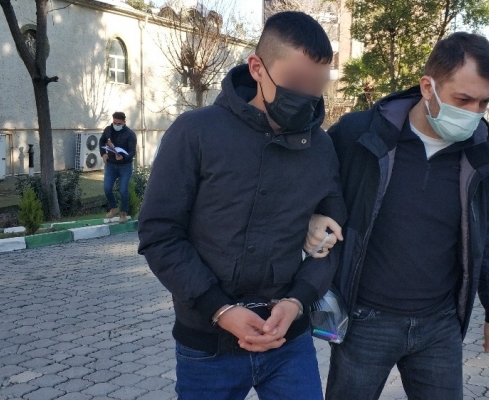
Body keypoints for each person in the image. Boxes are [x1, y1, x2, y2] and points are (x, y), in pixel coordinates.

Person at [137, 11, 346, 400]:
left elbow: (332, 239)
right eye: (295, 83)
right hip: (208, 345)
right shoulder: (195, 132)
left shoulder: (321, 148)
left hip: (289, 344)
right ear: (257, 68)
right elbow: (159, 234)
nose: (306, 97)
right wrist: (220, 309)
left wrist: (298, 300)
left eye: (316, 87)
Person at [306, 32, 489, 400]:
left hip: (439, 325)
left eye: (484, 102)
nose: (474, 113)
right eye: (463, 99)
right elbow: (305, 185)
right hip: (366, 322)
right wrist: (310, 218)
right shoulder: (359, 134)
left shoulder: (483, 153)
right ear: (427, 87)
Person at [99, 111, 136, 223]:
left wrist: (123, 157)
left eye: (119, 124)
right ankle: (113, 208)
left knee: (123, 190)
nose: (116, 125)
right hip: (111, 164)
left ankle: (123, 213)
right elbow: (102, 141)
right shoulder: (108, 130)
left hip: (125, 166)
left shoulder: (130, 134)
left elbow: (132, 152)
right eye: (114, 123)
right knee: (107, 188)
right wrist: (103, 154)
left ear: (124, 122)